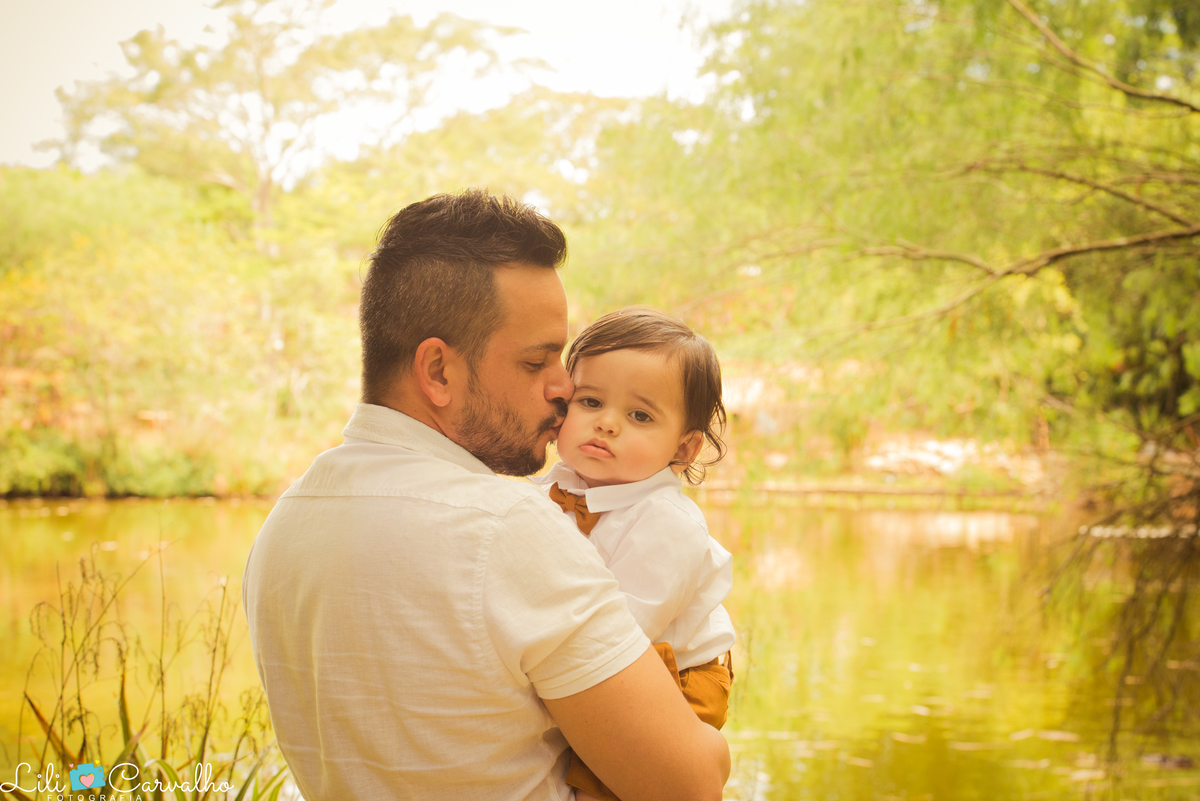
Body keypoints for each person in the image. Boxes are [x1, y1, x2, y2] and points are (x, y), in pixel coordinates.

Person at [241, 190, 729, 801]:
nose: (564, 386)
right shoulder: (508, 529)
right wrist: (712, 746)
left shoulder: (286, 524)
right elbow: (689, 786)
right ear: (439, 372)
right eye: (536, 362)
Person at [531, 307, 735, 801]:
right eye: (591, 400)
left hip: (678, 672)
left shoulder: (666, 523)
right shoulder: (550, 491)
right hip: (616, 651)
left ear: (684, 449)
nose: (606, 424)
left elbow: (620, 634)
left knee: (613, 777)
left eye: (639, 415)